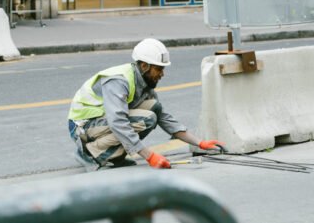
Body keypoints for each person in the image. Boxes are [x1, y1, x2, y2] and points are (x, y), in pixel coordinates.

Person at [68, 38, 224, 170]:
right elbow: (118, 122)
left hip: (100, 123)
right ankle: (90, 153)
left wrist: (200, 142)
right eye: (158, 69)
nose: (162, 74)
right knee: (146, 119)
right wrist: (149, 156)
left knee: (154, 108)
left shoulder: (144, 82)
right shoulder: (118, 80)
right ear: (144, 66)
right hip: (82, 126)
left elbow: (163, 117)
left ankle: (114, 156)